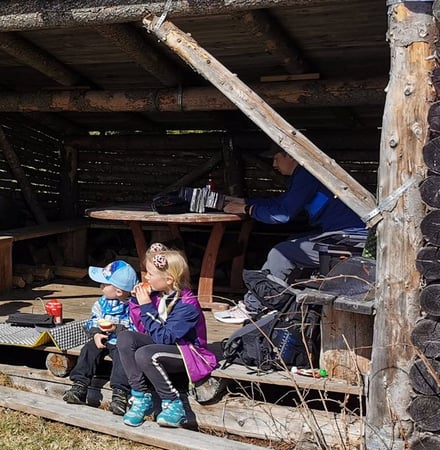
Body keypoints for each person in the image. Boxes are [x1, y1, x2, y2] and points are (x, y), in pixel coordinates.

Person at [217, 146, 366, 323]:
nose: (273, 164)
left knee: (282, 253)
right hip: (345, 234)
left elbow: (282, 215)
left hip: (350, 239)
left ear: (292, 156)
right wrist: (245, 201)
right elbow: (281, 202)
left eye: (276, 158)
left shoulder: (307, 175)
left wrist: (247, 209)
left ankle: (253, 306)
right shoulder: (306, 174)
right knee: (290, 243)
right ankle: (280, 302)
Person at [117, 244, 217, 428]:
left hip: (188, 351)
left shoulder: (188, 305)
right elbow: (142, 328)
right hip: (163, 343)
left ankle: (173, 403)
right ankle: (140, 397)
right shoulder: (158, 295)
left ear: (169, 279)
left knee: (145, 354)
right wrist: (136, 301)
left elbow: (165, 338)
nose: (146, 277)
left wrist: (146, 306)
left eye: (151, 274)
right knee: (125, 338)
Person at [62, 260, 137, 416]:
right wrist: (95, 333)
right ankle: (79, 385)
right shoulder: (101, 303)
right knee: (88, 350)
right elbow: (93, 319)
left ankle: (119, 394)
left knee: (123, 359)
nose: (101, 287)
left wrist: (116, 329)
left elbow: (137, 328)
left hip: (122, 342)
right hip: (103, 338)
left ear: (119, 291)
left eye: (104, 284)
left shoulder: (134, 307)